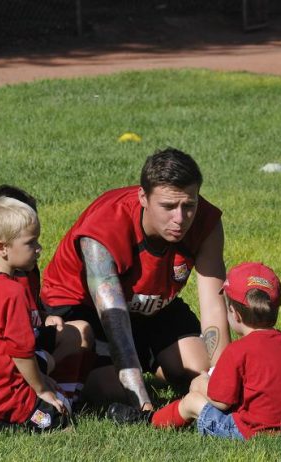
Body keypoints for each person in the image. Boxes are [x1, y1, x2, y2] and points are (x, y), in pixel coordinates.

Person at [40, 148, 231, 411]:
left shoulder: (205, 222)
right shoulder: (105, 227)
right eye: (168, 207)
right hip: (88, 310)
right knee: (113, 390)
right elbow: (115, 323)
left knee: (199, 369)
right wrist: (143, 404)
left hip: (150, 304)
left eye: (189, 205)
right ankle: (111, 368)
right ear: (143, 197)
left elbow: (213, 304)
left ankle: (154, 361)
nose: (180, 218)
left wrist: (223, 383)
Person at [108, 262, 281, 440]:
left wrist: (201, 383)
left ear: (234, 313)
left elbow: (221, 402)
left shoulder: (238, 351)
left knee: (192, 400)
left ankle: (150, 420)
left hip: (249, 432)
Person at [0, 186, 94, 423]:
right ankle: (61, 402)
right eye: (31, 242)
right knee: (60, 422)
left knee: (73, 335)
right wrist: (41, 389)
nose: (39, 249)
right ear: (2, 247)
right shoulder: (11, 291)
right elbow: (21, 352)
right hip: (6, 389)